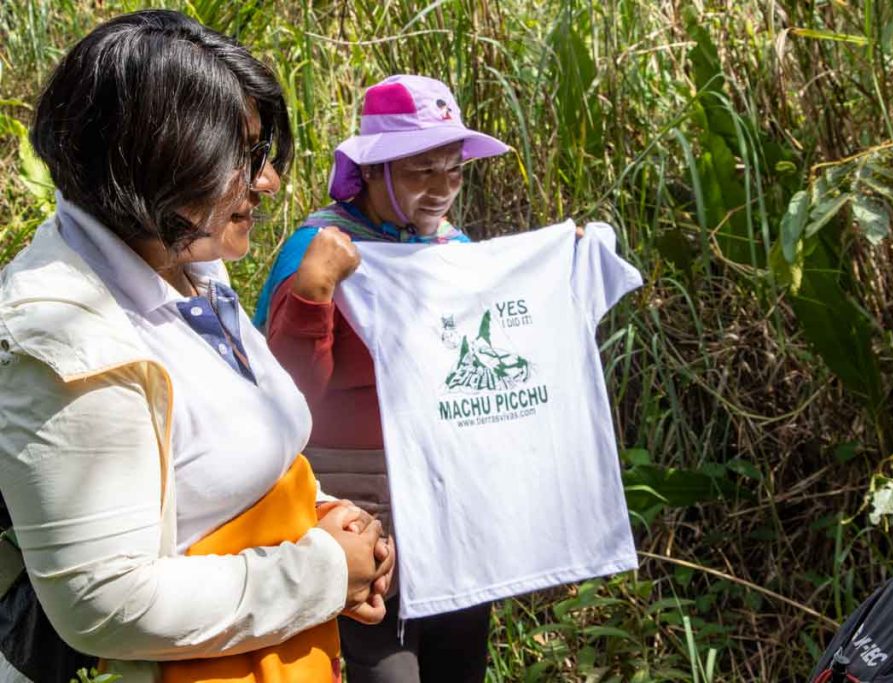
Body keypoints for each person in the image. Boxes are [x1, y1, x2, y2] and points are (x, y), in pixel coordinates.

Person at [0, 10, 394, 682]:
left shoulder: (185, 259)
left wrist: (322, 513)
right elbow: (104, 603)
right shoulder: (61, 340)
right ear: (155, 161)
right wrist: (324, 568)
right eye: (243, 156)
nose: (267, 181)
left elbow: (217, 462)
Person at [254, 75, 511, 682]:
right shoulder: (320, 252)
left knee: (460, 665)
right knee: (384, 672)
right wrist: (316, 292)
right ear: (372, 171)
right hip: (358, 515)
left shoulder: (457, 251)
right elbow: (284, 395)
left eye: (453, 169)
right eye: (422, 170)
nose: (442, 189)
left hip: (448, 513)